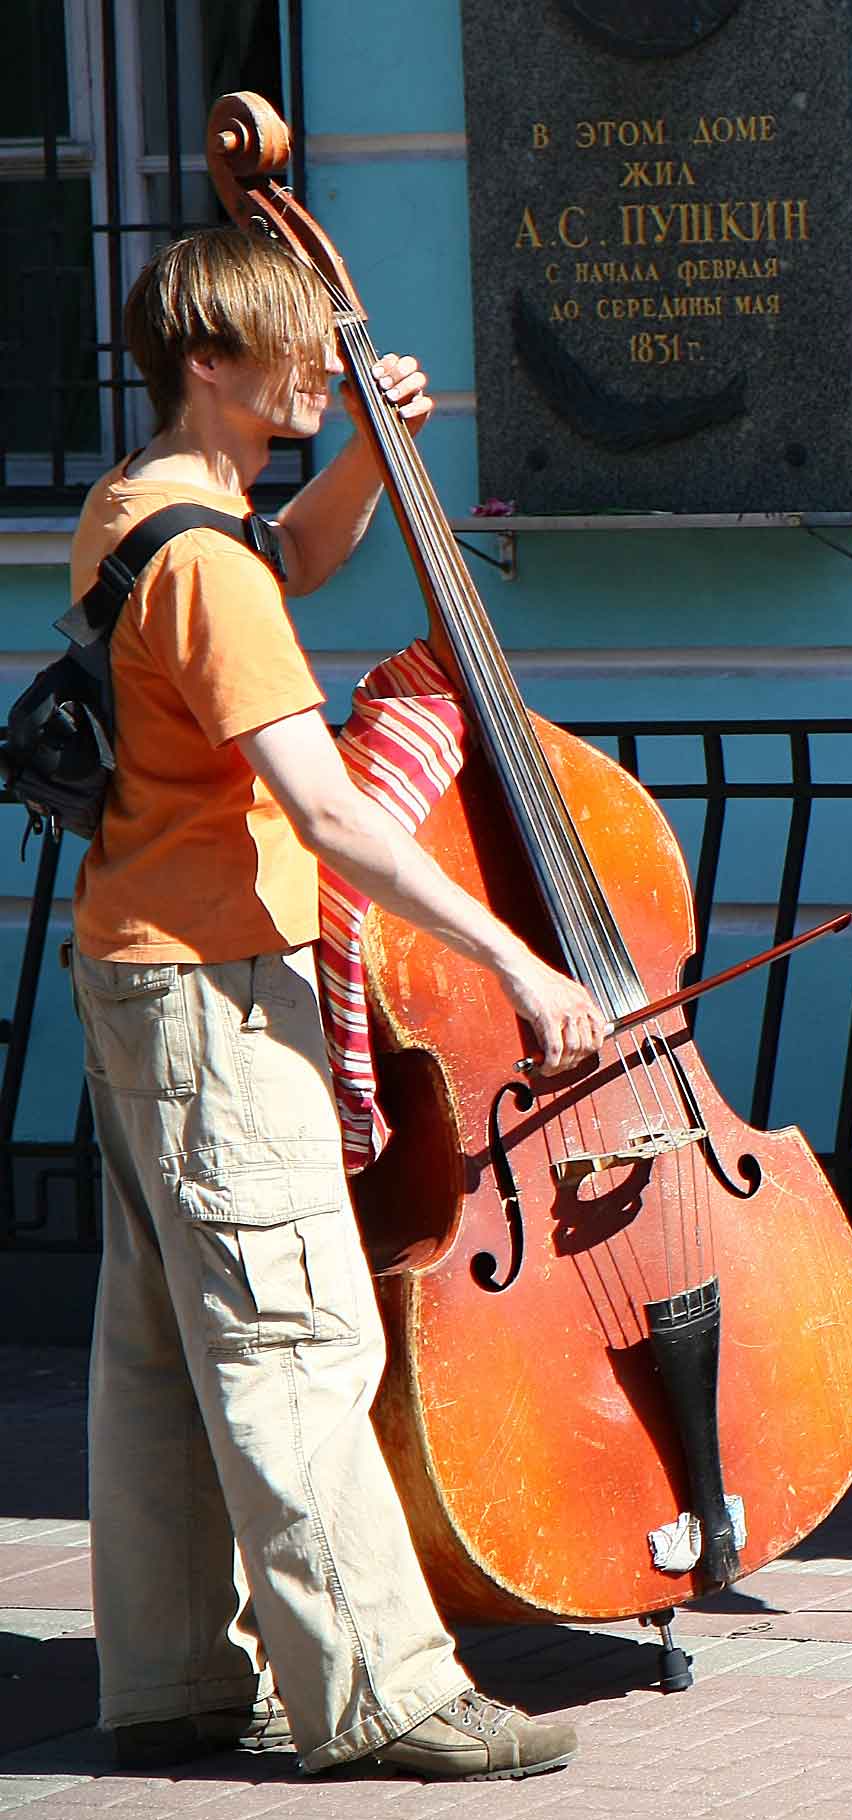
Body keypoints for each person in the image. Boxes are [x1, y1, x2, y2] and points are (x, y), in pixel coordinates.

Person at [70, 227, 609, 1778]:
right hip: (221, 991)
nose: (322, 361)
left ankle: (171, 1676)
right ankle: (383, 1691)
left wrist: (372, 456)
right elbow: (335, 813)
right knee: (298, 1336)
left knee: (168, 1348)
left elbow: (290, 557)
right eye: (294, 346)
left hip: (138, 969)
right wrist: (517, 960)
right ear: (209, 363)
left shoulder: (147, 507)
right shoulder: (200, 568)